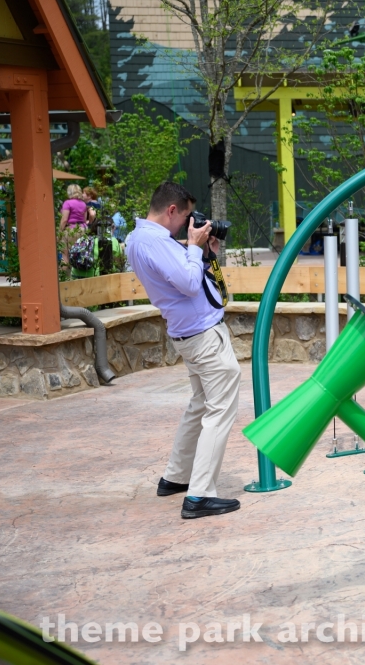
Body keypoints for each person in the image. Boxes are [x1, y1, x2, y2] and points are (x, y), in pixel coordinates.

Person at [125, 182, 242, 519]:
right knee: (219, 410)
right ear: (172, 210)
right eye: (188, 216)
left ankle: (176, 476)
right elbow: (190, 284)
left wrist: (205, 255)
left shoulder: (139, 239)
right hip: (203, 337)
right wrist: (192, 246)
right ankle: (200, 495)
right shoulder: (155, 242)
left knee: (200, 404)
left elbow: (187, 281)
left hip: (188, 333)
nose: (191, 225)